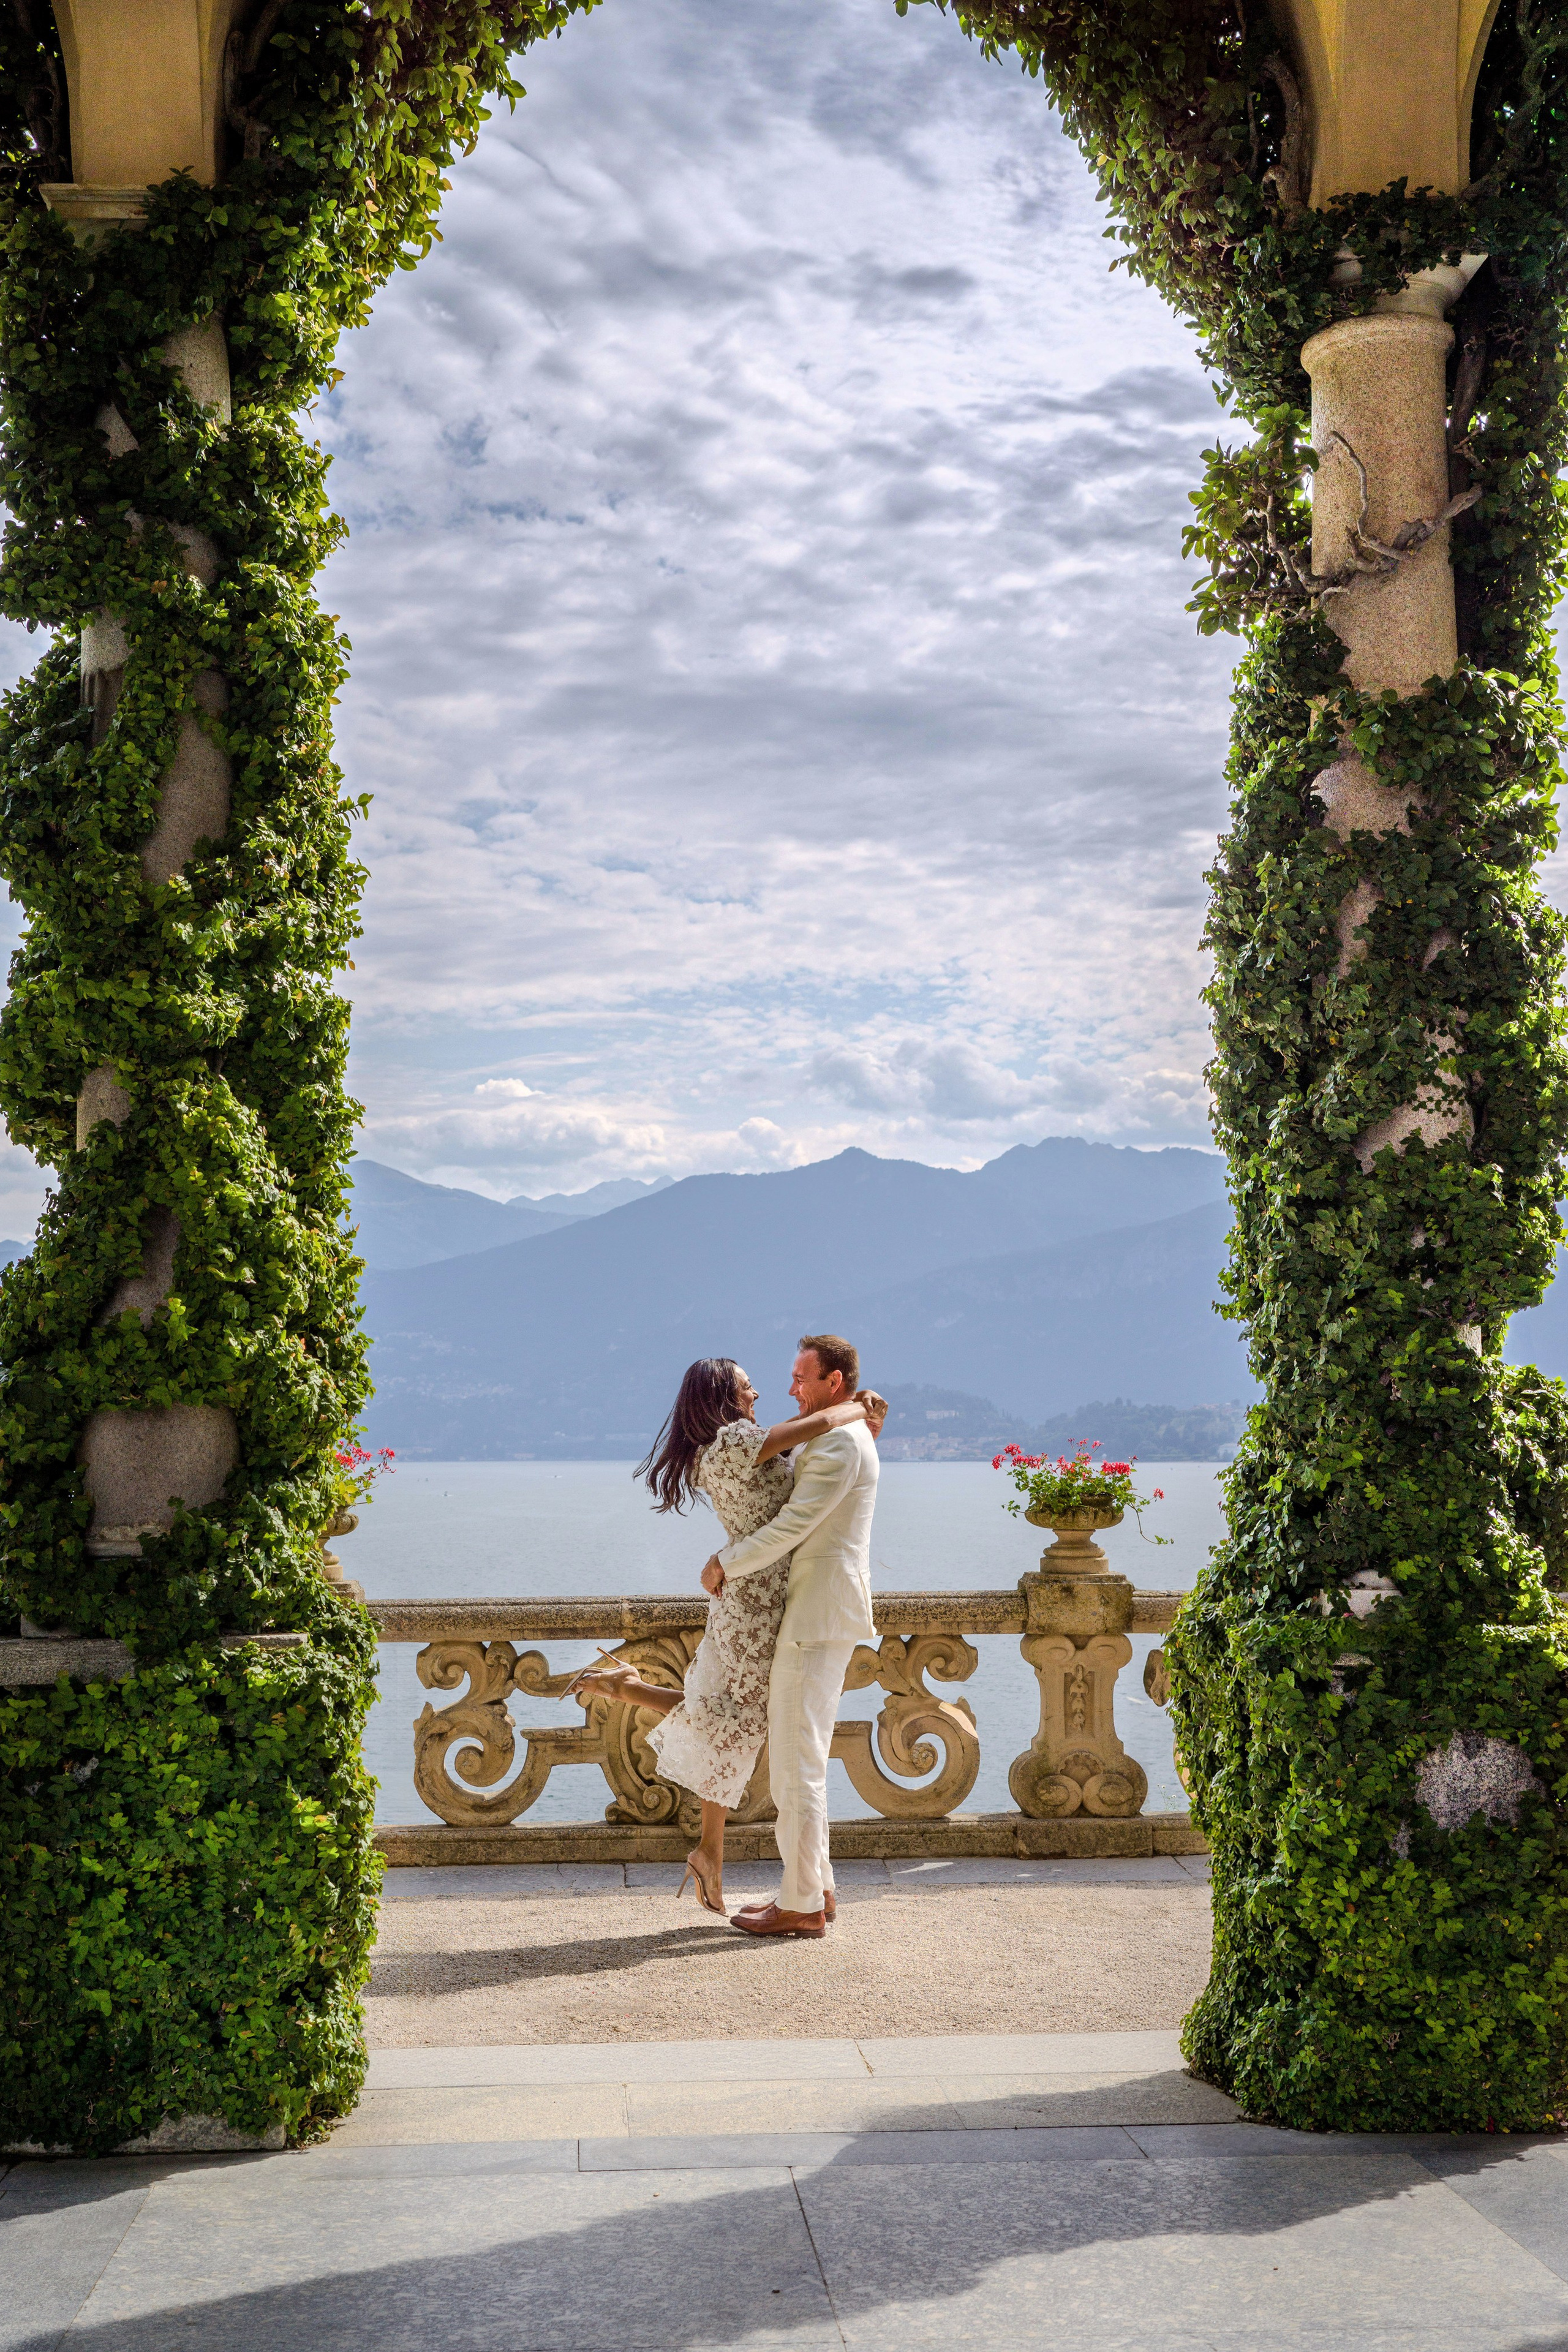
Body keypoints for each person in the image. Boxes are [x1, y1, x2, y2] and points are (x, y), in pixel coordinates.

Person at [570, 1355, 885, 1916]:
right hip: (757, 1595)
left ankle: (633, 1696)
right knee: (742, 1718)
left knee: (736, 1716)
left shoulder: (721, 1450)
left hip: (757, 1592)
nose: (759, 1391)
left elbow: (810, 1457)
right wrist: (852, 1407)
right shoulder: (736, 1441)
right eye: (746, 1385)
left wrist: (857, 1421)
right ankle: (721, 1852)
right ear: (722, 1395)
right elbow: (812, 1432)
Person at [710, 1333, 879, 1941]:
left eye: (802, 1379)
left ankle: (801, 1903)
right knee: (801, 1760)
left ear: (834, 1383)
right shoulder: (838, 1434)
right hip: (819, 1615)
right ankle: (818, 1887)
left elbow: (791, 1526)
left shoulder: (837, 1444)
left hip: (816, 1618)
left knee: (794, 1766)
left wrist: (725, 1562)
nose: (790, 1389)